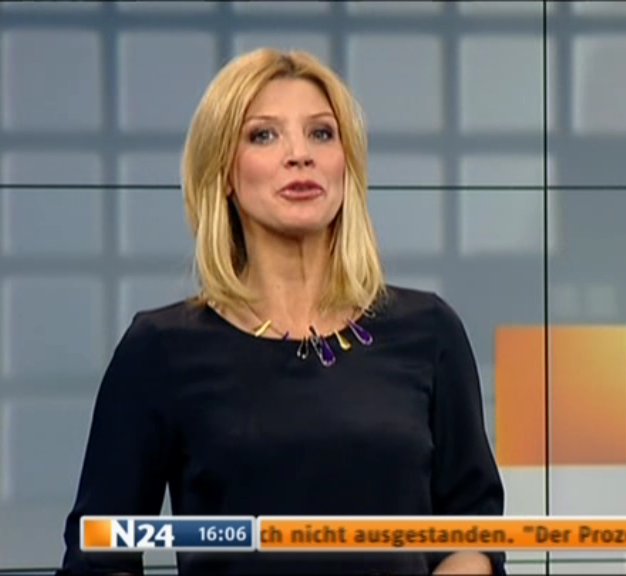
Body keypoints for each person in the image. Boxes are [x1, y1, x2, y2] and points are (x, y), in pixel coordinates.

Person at [58, 48, 505, 575]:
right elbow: (100, 554)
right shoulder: (160, 348)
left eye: (321, 133)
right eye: (264, 135)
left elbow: (472, 533)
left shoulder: (428, 331)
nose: (300, 155)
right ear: (224, 171)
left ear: (347, 164)